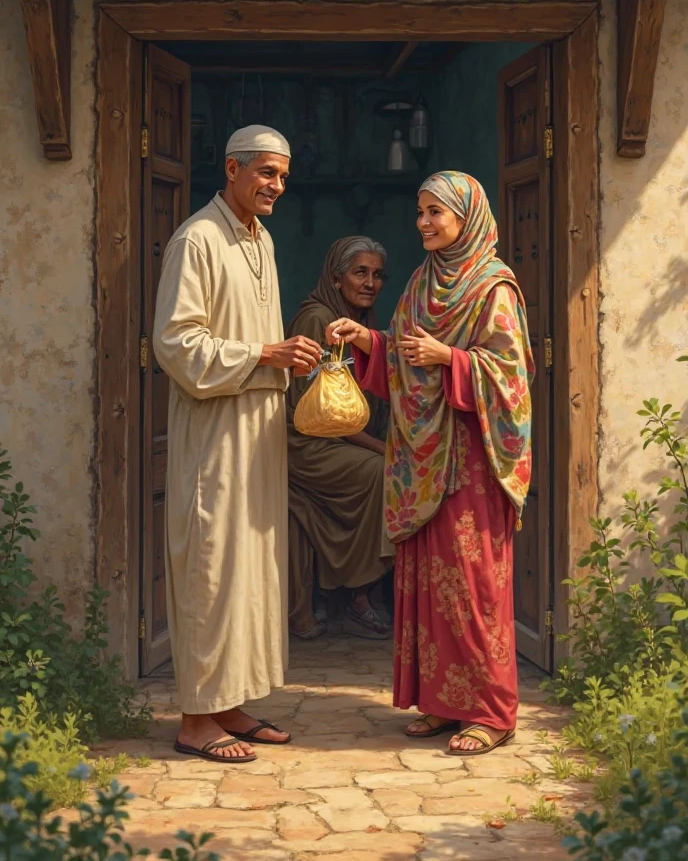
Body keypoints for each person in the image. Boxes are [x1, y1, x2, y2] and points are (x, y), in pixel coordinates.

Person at [326, 172, 533, 756]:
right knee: (428, 581)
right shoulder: (421, 282)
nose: (422, 222)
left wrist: (451, 358)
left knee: (472, 585)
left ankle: (492, 712)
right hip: (421, 460)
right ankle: (444, 704)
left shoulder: (495, 288)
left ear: (466, 216)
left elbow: (512, 377)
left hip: (472, 460)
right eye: (419, 212)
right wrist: (369, 342)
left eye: (434, 213)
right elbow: (403, 356)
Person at [153, 125, 322, 765]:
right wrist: (264, 352)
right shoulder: (196, 239)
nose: (277, 185)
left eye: (283, 175)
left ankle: (229, 703)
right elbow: (174, 343)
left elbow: (258, 337)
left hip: (257, 434)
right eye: (266, 174)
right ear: (232, 169)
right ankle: (196, 719)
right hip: (213, 434)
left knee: (248, 569)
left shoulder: (262, 239)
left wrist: (288, 358)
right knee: (211, 565)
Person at [286, 237, 393, 642]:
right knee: (382, 473)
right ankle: (358, 599)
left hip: (341, 441)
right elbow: (326, 416)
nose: (370, 282)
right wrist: (384, 449)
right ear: (336, 277)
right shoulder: (319, 320)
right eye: (359, 272)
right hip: (307, 443)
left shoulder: (359, 325)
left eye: (378, 274)